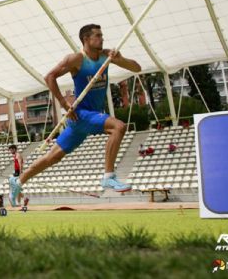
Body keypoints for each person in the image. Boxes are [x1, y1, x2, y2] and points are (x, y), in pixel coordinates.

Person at [9, 24, 141, 200]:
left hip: (84, 119)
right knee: (119, 127)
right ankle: (109, 177)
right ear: (86, 39)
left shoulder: (106, 56)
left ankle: (18, 181)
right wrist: (64, 103)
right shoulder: (76, 59)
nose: (102, 38)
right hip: (82, 114)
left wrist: (121, 59)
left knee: (52, 158)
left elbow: (137, 68)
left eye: (102, 35)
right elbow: (49, 77)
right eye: (98, 36)